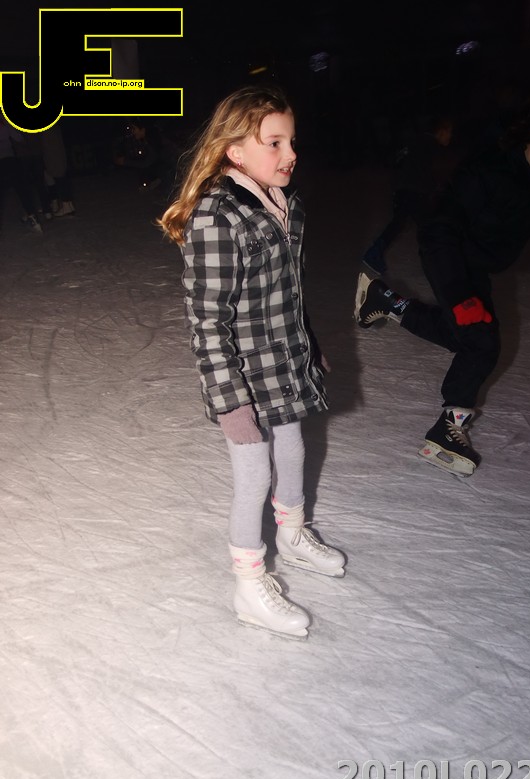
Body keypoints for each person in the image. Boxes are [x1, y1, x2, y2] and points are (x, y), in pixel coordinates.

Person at [157, 85, 345, 638]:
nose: (290, 154)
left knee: (293, 448)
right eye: (275, 142)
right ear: (235, 150)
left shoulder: (283, 204)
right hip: (241, 372)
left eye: (292, 141)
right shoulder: (218, 216)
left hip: (285, 360)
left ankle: (292, 532)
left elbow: (288, 293)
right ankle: (248, 583)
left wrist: (309, 343)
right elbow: (206, 319)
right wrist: (230, 402)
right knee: (254, 473)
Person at [354, 87, 530, 477]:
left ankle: (387, 301)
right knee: (482, 341)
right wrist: (459, 293)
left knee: (462, 335)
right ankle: (447, 430)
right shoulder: (487, 170)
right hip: (446, 254)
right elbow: (440, 229)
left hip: (475, 263)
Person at [362, 113, 460, 274]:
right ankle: (441, 264)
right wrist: (438, 188)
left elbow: (398, 161)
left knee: (401, 223)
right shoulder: (431, 145)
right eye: (449, 132)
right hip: (414, 191)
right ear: (441, 131)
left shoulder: (415, 141)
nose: (451, 136)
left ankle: (375, 252)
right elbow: (427, 173)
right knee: (429, 226)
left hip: (403, 188)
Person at [0, 118, 43, 234]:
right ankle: (32, 217)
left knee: (21, 189)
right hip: (10, 160)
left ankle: (32, 217)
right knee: (22, 190)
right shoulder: (5, 121)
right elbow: (18, 137)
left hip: (8, 160)